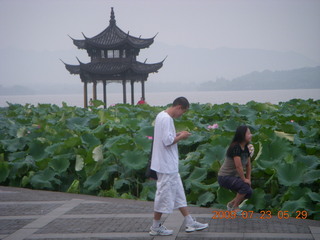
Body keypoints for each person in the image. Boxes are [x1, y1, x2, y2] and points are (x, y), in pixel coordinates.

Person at [149, 97, 208, 236]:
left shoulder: (161, 115)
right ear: (179, 107)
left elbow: (166, 137)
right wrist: (182, 137)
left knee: (179, 194)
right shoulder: (167, 119)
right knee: (163, 195)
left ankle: (189, 221)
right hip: (166, 165)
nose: (182, 115)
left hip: (168, 165)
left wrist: (177, 134)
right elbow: (168, 141)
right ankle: (155, 226)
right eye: (183, 112)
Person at [218, 125, 254, 215]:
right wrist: (244, 179)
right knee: (244, 186)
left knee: (249, 192)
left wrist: (248, 178)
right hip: (224, 177)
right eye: (249, 133)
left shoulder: (245, 148)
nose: (251, 135)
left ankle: (231, 204)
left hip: (234, 177)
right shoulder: (235, 147)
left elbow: (248, 165)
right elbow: (238, 166)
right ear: (242, 135)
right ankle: (235, 207)